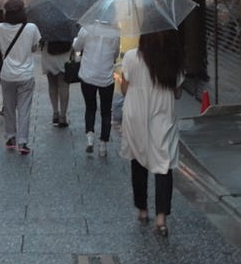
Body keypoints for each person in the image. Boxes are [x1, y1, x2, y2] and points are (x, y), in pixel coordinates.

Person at [118, 28, 184, 238]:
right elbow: (178, 92)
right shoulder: (172, 59)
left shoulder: (131, 57)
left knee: (138, 159)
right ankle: (161, 219)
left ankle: (142, 209)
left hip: (135, 113)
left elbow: (124, 90)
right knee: (164, 163)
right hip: (163, 113)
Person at [0, 0, 40, 155]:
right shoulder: (31, 28)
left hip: (7, 74)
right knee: (24, 109)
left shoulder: (0, 28)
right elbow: (34, 48)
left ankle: (10, 137)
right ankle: (23, 141)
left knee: (8, 107)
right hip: (26, 74)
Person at [72, 24, 121, 156]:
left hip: (88, 75)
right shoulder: (115, 32)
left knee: (90, 107)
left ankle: (90, 138)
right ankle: (103, 144)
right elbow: (115, 54)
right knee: (106, 111)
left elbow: (76, 47)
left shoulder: (86, 29)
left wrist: (77, 40)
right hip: (106, 77)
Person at [41, 39, 73, 127]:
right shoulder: (67, 29)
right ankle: (63, 117)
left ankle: (55, 113)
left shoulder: (47, 30)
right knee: (64, 86)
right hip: (65, 52)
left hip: (48, 50)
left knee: (52, 84)